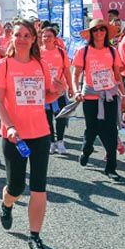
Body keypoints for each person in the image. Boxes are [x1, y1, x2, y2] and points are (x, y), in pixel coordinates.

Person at [0, 20, 57, 249]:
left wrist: (58, 91)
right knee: (16, 186)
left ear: (33, 39)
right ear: (12, 38)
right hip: (14, 137)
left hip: (40, 134)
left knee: (39, 188)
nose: (21, 39)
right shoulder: (3, 66)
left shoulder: (41, 65)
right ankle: (7, 204)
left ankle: (35, 235)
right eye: (18, 35)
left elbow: (46, 97)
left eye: (26, 35)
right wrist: (9, 127)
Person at [72, 19, 125, 181]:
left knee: (110, 131)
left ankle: (111, 168)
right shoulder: (84, 51)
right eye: (95, 30)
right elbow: (76, 75)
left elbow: (117, 76)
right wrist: (76, 91)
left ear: (106, 32)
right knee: (92, 130)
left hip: (110, 95)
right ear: (91, 33)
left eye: (102, 29)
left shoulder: (113, 51)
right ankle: (86, 150)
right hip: (91, 96)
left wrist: (123, 95)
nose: (99, 33)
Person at [39, 25, 74, 154]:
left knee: (61, 117)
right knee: (47, 118)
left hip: (60, 90)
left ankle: (60, 141)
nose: (47, 38)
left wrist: (70, 87)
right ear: (41, 38)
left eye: (50, 36)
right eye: (44, 36)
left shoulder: (61, 52)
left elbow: (66, 70)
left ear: (55, 38)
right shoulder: (37, 52)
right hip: (44, 91)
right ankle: (52, 142)